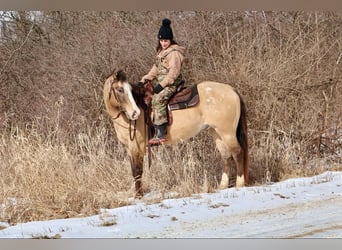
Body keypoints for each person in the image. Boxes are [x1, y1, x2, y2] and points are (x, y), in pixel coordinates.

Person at [140, 18, 186, 145]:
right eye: (161, 40)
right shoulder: (161, 53)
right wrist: (144, 80)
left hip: (171, 83)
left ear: (170, 40)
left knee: (158, 99)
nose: (163, 43)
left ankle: (161, 133)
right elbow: (154, 70)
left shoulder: (174, 53)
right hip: (162, 82)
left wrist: (161, 86)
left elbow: (173, 73)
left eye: (165, 40)